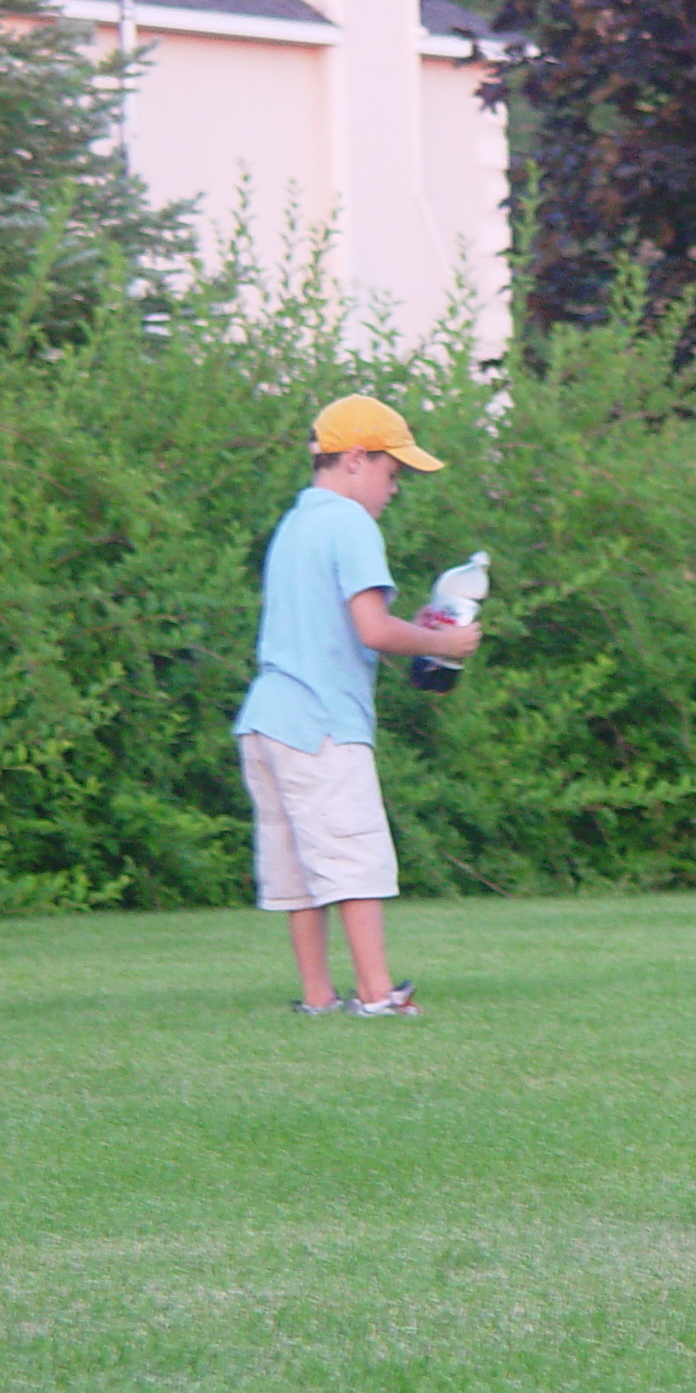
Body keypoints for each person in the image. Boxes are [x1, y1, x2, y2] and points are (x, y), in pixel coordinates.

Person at [234, 395, 481, 1017]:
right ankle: (376, 995)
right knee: (355, 857)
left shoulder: (296, 523)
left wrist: (416, 630)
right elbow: (372, 630)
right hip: (322, 723)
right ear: (354, 460)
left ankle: (319, 996)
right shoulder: (350, 524)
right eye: (391, 473)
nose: (393, 489)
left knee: (295, 868)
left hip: (266, 719)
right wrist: (443, 643)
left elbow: (336, 626)